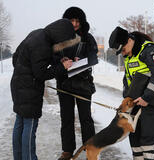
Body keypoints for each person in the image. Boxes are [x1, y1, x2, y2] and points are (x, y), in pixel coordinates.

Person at [11, 19, 81, 160]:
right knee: (29, 127)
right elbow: (41, 74)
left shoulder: (38, 33)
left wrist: (59, 61)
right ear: (60, 35)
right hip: (29, 89)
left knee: (20, 123)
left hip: (18, 84)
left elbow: (17, 58)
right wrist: (63, 67)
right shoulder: (43, 44)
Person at [109, 26, 154, 160]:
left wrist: (146, 97)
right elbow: (127, 79)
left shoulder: (151, 51)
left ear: (129, 40)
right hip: (137, 102)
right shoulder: (129, 56)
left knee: (148, 139)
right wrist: (127, 97)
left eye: (123, 50)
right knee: (135, 138)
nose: (123, 54)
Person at [54, 7, 98, 160]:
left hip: (83, 84)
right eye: (71, 21)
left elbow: (94, 58)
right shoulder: (59, 38)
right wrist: (62, 60)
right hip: (64, 84)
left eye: (77, 21)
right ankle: (67, 151)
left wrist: (82, 61)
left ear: (81, 22)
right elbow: (53, 57)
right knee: (66, 119)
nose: (74, 24)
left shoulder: (88, 38)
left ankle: (91, 150)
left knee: (86, 119)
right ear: (66, 21)